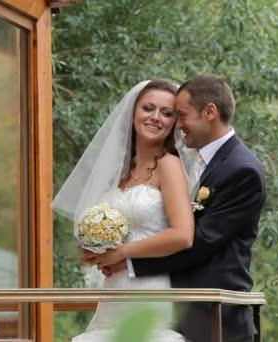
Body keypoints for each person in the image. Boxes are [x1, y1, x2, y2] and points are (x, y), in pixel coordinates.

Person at [97, 74, 267, 342]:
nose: (177, 124)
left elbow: (200, 240)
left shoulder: (241, 169)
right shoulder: (198, 161)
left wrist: (125, 260)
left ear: (209, 112)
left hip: (215, 315)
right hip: (177, 306)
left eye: (180, 114)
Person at [53, 79, 195, 342]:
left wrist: (120, 254)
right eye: (148, 108)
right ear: (133, 113)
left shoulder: (169, 165)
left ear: (175, 122)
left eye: (166, 113)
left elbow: (183, 235)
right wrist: (96, 251)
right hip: (113, 290)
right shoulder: (121, 172)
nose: (155, 117)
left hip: (148, 288)